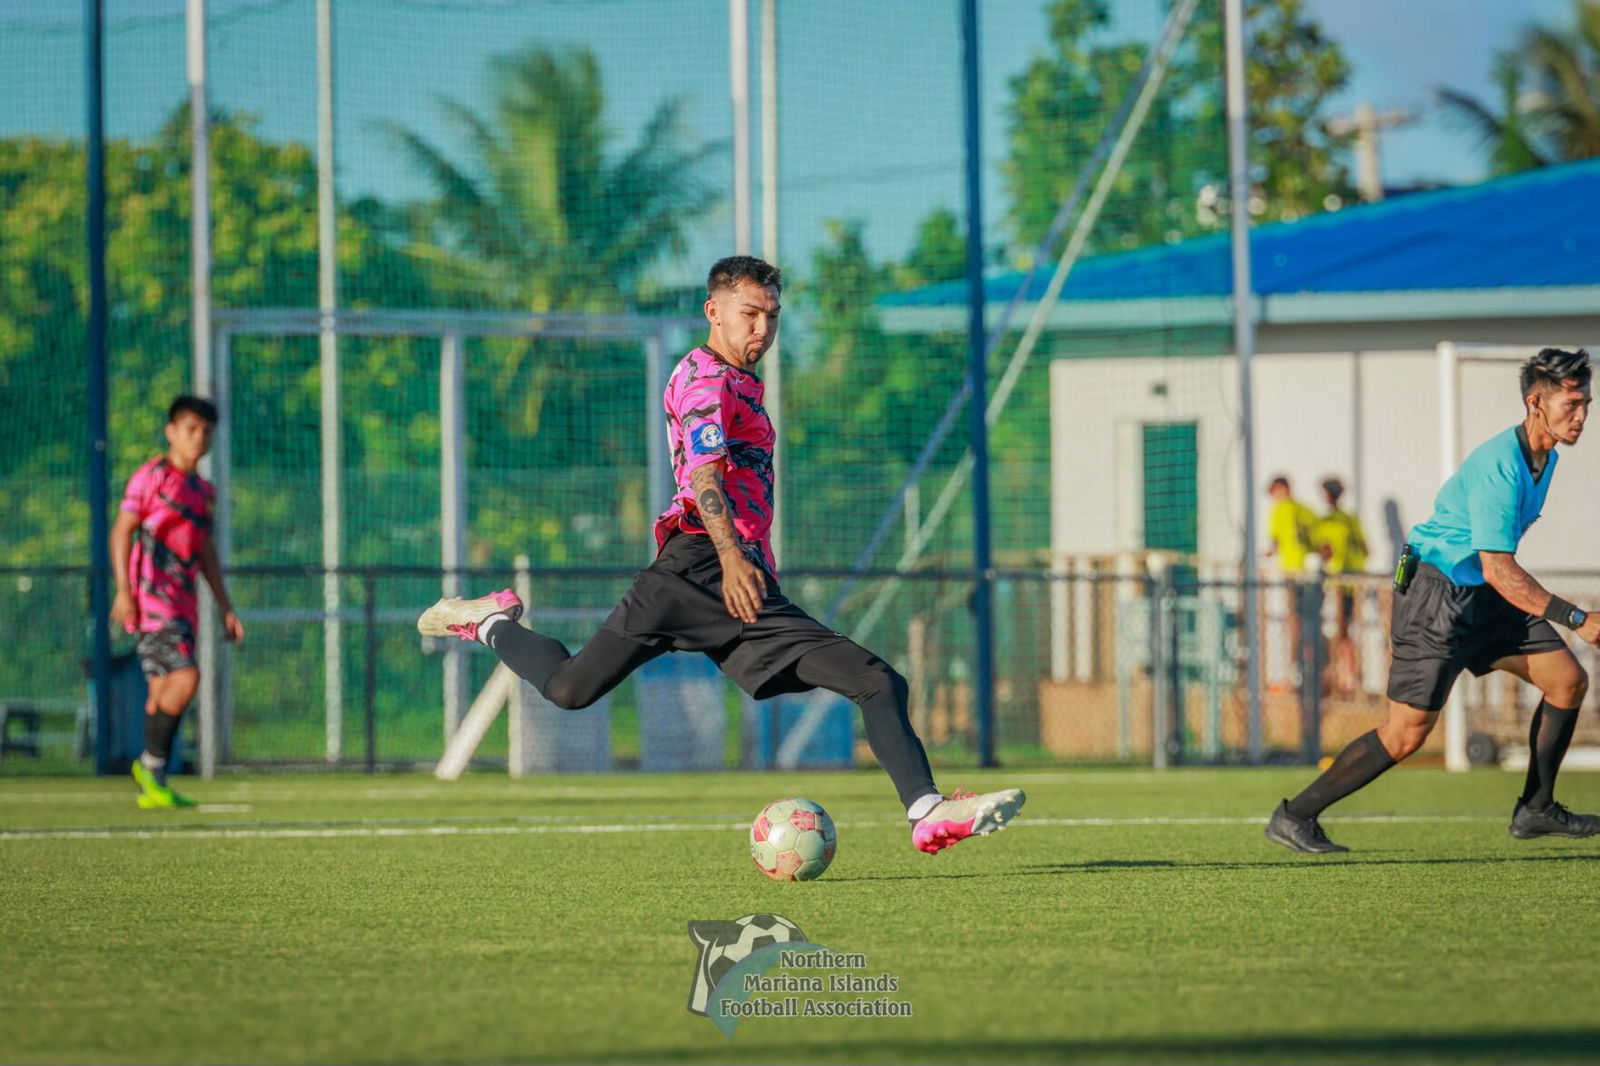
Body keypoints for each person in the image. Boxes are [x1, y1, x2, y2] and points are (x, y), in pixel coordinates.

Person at [418, 255, 1024, 853]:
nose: (762, 328)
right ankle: (490, 621)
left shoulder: (740, 381)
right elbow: (704, 476)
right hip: (700, 566)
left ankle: (926, 813)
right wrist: (733, 558)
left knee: (873, 681)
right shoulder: (706, 379)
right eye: (749, 313)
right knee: (572, 690)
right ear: (714, 311)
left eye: (773, 316)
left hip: (734, 573)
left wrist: (746, 563)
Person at [1266, 348, 1600, 853]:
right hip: (1436, 597)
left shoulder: (1545, 457)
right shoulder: (1500, 467)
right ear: (1536, 402)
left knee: (1567, 681)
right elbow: (1499, 567)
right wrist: (1576, 618)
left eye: (1587, 404)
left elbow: (1494, 571)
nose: (1581, 416)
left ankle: (1535, 808)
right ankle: (1295, 816)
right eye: (1571, 404)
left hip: (1483, 596)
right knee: (1406, 733)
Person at [110, 395, 244, 809]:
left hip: (184, 606)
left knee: (162, 693)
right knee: (186, 678)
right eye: (191, 429)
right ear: (171, 432)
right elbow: (122, 532)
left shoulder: (204, 491)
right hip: (152, 603)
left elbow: (204, 550)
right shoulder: (151, 478)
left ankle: (155, 781)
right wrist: (124, 591)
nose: (198, 438)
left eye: (205, 431)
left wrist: (224, 605)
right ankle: (150, 765)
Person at [1315, 476, 1369, 696]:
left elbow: (1327, 551)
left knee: (1342, 633)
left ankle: (1348, 678)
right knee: (1343, 632)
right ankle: (1346, 677)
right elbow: (1365, 549)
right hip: (1347, 583)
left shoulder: (1333, 522)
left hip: (1341, 584)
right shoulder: (1348, 519)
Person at [1263, 475, 1318, 685]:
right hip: (1309, 573)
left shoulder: (1280, 510)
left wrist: (1267, 554)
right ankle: (1309, 668)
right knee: (1310, 621)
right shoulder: (1305, 510)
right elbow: (1317, 539)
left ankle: (1295, 670)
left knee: (1293, 621)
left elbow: (1275, 542)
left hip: (1292, 571)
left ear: (1281, 489)